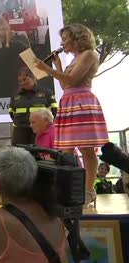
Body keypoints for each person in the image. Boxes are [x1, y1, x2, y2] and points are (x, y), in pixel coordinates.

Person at [35, 23, 109, 206]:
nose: (62, 42)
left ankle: (88, 190)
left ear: (77, 38)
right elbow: (65, 85)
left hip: (82, 103)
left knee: (86, 149)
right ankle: (66, 191)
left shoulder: (90, 54)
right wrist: (58, 65)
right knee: (66, 150)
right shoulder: (74, 59)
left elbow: (73, 80)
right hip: (68, 102)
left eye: (65, 38)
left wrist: (48, 70)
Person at [9, 67, 57, 145]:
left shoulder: (46, 93)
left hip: (40, 130)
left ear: (33, 77)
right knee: (20, 154)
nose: (22, 83)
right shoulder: (15, 96)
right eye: (20, 81)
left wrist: (47, 126)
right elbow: (12, 112)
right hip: (21, 130)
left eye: (25, 79)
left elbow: (54, 110)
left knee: (39, 153)